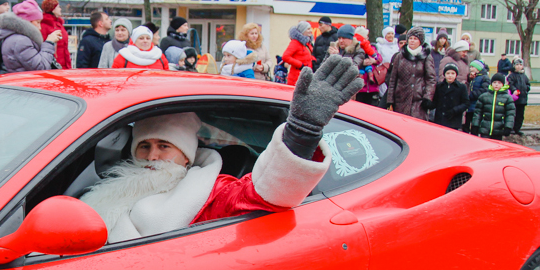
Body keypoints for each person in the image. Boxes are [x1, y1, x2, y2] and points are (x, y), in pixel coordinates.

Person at [79, 55, 362, 243]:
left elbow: (262, 194)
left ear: (186, 154)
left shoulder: (207, 190)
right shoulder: (110, 183)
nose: (152, 156)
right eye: (144, 146)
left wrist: (302, 133)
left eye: (164, 146)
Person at [386, 26, 435, 120]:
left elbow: (431, 79)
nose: (412, 41)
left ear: (420, 41)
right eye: (410, 38)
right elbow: (393, 79)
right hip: (400, 100)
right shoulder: (400, 56)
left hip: (418, 101)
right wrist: (390, 100)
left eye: (415, 39)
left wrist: (427, 97)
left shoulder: (426, 56)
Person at [0, 0, 61, 73]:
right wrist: (49, 43)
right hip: (24, 82)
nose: (40, 27)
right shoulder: (21, 41)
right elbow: (41, 67)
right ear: (28, 22)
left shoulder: (15, 38)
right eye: (37, 22)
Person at [472, 72, 515, 140]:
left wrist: (508, 127)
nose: (496, 85)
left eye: (499, 83)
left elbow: (510, 114)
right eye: (494, 82)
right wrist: (475, 125)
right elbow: (478, 112)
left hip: (499, 130)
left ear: (503, 84)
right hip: (485, 129)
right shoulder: (484, 96)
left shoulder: (507, 98)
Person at [432, 63, 469, 130]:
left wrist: (455, 110)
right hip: (440, 120)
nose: (450, 76)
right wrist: (428, 103)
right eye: (448, 73)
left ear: (456, 75)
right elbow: (436, 101)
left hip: (453, 120)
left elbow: (466, 103)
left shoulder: (461, 87)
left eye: (452, 73)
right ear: (444, 75)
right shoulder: (439, 86)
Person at [40, 0, 71, 69]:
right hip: (55, 64)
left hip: (63, 63)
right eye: (58, 7)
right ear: (53, 9)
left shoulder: (58, 24)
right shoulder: (45, 25)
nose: (60, 9)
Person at [506, 57, 531, 136]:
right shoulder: (512, 76)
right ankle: (511, 128)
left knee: (520, 115)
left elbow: (528, 84)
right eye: (517, 65)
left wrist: (527, 89)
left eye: (520, 65)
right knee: (513, 114)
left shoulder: (524, 76)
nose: (519, 66)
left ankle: (517, 128)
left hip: (523, 98)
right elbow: (510, 84)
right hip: (515, 98)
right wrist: (514, 90)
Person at [465, 60, 490, 132]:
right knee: (466, 123)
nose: (470, 69)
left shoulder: (484, 77)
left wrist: (471, 95)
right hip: (470, 105)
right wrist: (470, 79)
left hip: (477, 105)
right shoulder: (474, 77)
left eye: (472, 67)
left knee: (475, 124)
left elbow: (484, 89)